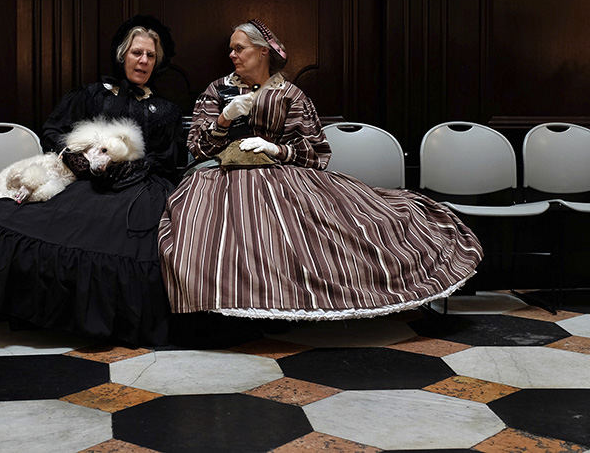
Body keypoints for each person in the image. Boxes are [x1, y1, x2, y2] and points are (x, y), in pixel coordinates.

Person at [158, 19, 483, 321]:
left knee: (329, 227)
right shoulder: (217, 91)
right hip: (223, 176)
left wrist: (277, 148)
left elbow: (316, 153)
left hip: (283, 174)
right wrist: (224, 119)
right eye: (231, 49)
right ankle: (227, 307)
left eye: (238, 48)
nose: (231, 55)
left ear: (262, 51)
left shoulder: (290, 94)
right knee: (205, 227)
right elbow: (197, 149)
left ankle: (300, 299)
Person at [0, 15, 184, 345]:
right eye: (136, 53)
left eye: (150, 55)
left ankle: (107, 318)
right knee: (60, 224)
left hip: (139, 190)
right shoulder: (93, 95)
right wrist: (74, 156)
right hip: (85, 181)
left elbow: (169, 160)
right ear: (123, 55)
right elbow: (54, 131)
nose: (143, 60)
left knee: (122, 234)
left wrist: (137, 168)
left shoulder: (166, 110)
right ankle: (50, 312)